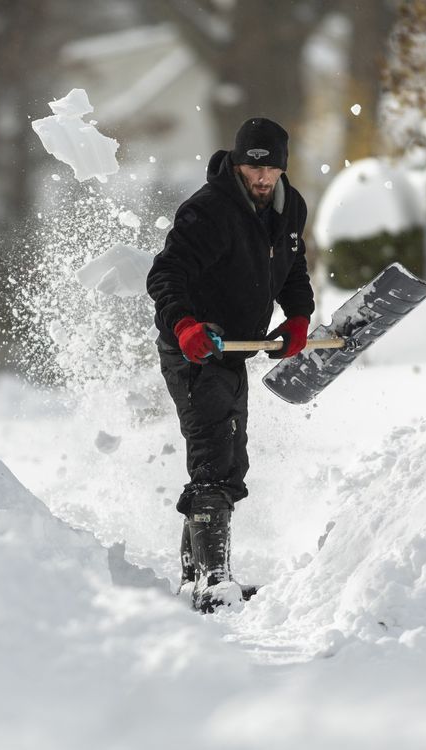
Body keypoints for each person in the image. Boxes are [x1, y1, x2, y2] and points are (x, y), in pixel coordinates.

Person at [146, 117, 314, 612]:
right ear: (237, 164)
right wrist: (185, 326)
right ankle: (214, 582)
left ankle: (194, 578)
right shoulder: (208, 211)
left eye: (270, 171)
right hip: (194, 347)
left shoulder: (291, 208)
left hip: (236, 349)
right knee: (214, 458)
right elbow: (166, 274)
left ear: (283, 168)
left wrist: (298, 317)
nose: (261, 180)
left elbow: (292, 268)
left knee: (228, 456)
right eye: (251, 169)